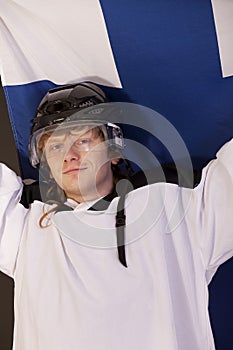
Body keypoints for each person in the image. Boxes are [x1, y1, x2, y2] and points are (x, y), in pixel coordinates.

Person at [0, 82, 232, 350]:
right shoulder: (24, 225)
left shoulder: (175, 206)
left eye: (83, 140)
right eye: (55, 147)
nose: (70, 155)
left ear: (113, 149)